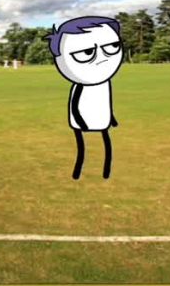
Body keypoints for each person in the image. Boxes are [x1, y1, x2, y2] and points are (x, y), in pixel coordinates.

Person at [48, 15, 123, 180]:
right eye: (87, 52)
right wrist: (81, 122)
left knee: (106, 145)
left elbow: (105, 102)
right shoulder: (82, 84)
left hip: (102, 120)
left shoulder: (104, 82)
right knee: (82, 148)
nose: (101, 58)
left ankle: (106, 171)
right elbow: (75, 104)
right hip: (82, 122)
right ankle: (78, 172)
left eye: (112, 47)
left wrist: (112, 118)